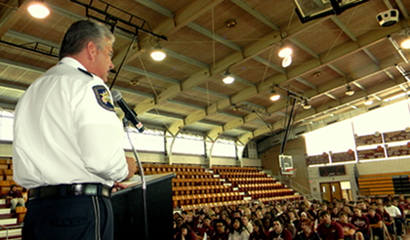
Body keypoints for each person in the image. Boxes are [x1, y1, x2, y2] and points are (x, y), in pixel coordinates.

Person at [12, 20, 137, 240]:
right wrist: (125, 168)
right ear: (91, 49)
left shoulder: (32, 91)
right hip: (80, 213)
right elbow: (103, 160)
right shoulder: (89, 85)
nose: (111, 64)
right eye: (109, 54)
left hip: (37, 213)